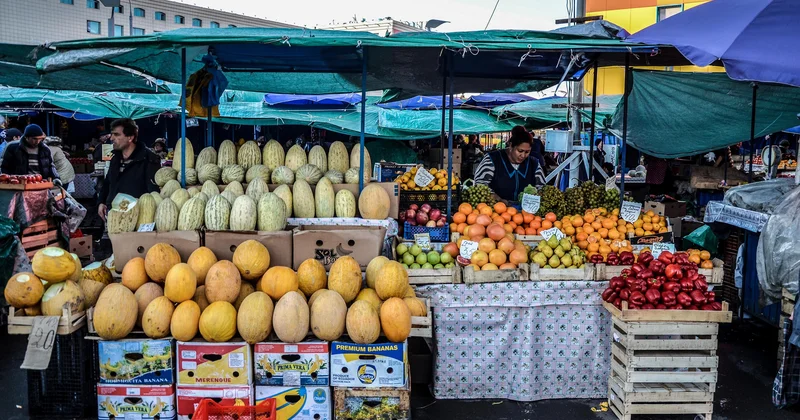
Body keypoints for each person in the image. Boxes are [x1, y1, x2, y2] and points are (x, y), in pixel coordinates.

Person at [97, 119, 160, 221]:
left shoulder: (149, 159)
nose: (111, 138)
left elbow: (154, 193)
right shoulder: (115, 157)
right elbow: (108, 182)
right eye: (112, 134)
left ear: (130, 137)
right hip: (113, 214)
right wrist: (101, 202)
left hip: (136, 218)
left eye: (116, 134)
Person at [474, 126, 546, 203]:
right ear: (511, 146)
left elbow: (542, 188)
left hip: (526, 209)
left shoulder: (534, 163)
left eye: (527, 152)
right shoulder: (492, 159)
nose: (523, 155)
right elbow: (480, 183)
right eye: (520, 151)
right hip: (495, 208)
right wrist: (497, 199)